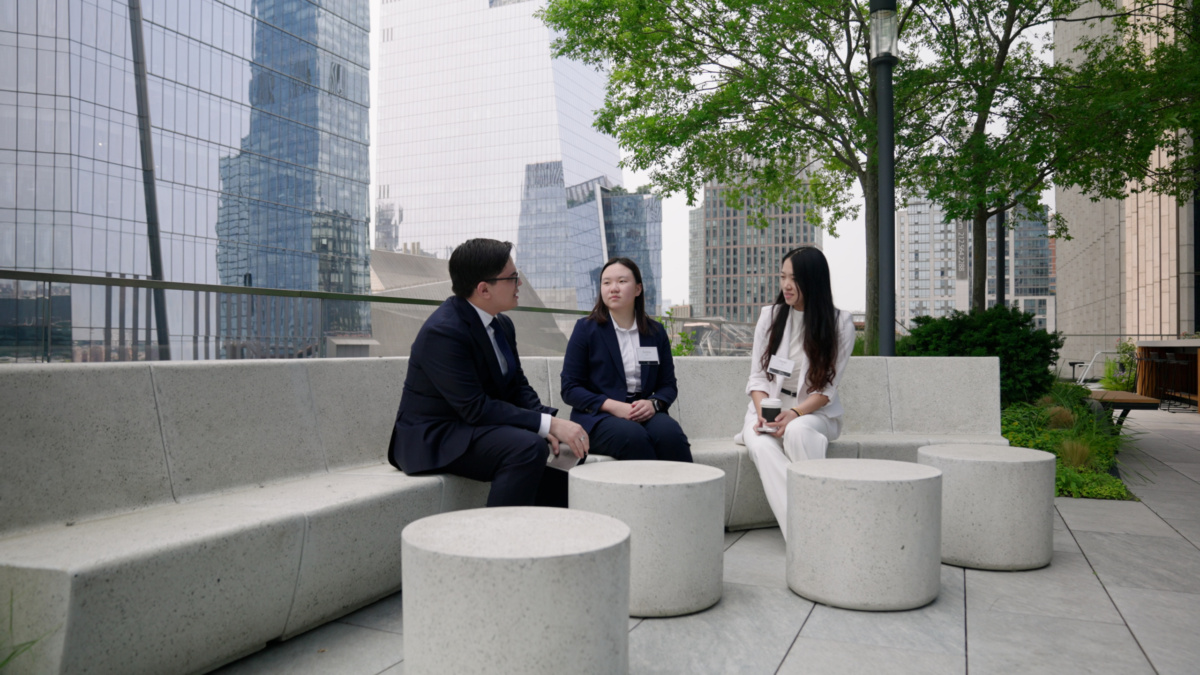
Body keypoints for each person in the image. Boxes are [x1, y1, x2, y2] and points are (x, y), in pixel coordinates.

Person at [387, 238, 589, 507]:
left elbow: (517, 386)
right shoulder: (444, 332)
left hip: (475, 427)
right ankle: (497, 541)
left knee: (570, 445)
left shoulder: (502, 325)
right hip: (437, 436)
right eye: (513, 277)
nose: (519, 284)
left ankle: (545, 530)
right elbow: (475, 408)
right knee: (527, 447)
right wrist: (548, 425)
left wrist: (547, 421)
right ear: (483, 289)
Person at [742, 246, 855, 539]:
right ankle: (810, 531)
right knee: (762, 446)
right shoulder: (770, 317)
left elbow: (826, 389)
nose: (786, 286)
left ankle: (811, 529)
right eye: (783, 277)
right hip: (766, 407)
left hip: (813, 411)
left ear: (814, 281)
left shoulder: (840, 323)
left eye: (795, 278)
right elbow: (757, 378)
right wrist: (765, 414)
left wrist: (793, 414)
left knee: (798, 432)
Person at [560, 257, 692, 462]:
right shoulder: (586, 329)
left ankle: (685, 493)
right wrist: (612, 406)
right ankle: (650, 494)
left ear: (638, 289)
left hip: (642, 411)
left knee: (670, 435)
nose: (613, 288)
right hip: (598, 416)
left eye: (622, 281)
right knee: (633, 437)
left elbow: (668, 385)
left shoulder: (655, 332)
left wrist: (653, 404)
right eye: (606, 282)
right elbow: (569, 388)